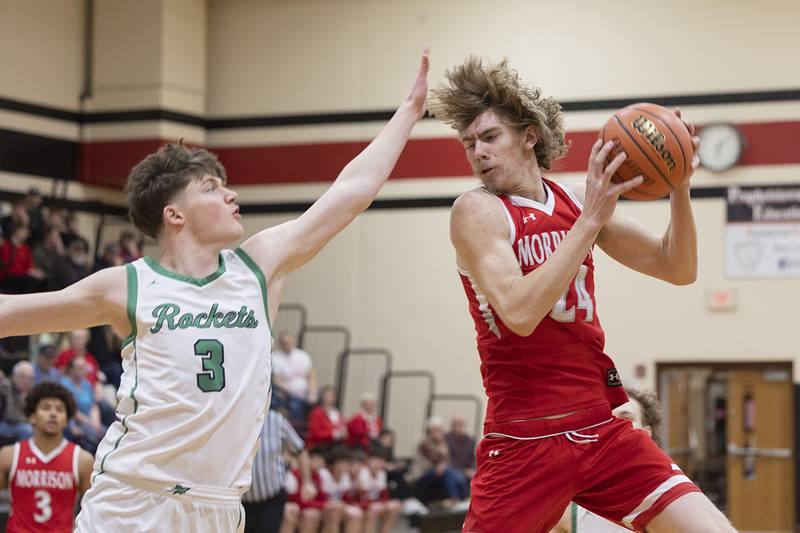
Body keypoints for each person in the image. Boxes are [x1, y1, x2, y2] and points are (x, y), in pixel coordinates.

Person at [0, 49, 429, 532]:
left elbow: (350, 191)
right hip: (134, 500)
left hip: (220, 508)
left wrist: (410, 112)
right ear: (174, 214)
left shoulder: (260, 265)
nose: (231, 195)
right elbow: (13, 311)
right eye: (211, 187)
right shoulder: (130, 283)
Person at [429, 56, 734, 532]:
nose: (478, 153)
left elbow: (678, 267)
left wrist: (680, 185)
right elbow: (518, 311)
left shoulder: (574, 201)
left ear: (529, 135)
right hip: (523, 436)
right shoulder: (477, 210)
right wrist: (591, 220)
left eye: (489, 137)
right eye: (470, 144)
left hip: (601, 425)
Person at [551, 389, 666, 533]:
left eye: (626, 419)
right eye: (606, 419)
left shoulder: (666, 499)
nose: (614, 427)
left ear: (646, 433)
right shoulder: (566, 507)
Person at [0, 381, 94, 532]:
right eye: (46, 408)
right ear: (32, 416)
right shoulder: (9, 455)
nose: (53, 413)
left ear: (66, 420)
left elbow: (92, 513)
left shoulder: (82, 460)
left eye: (59, 409)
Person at [242, 407, 315, 533]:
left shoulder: (276, 420)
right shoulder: (235, 418)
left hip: (271, 498)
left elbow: (300, 449)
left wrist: (307, 482)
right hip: (241, 501)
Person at [411, 416, 468, 506]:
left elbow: (447, 461)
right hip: (423, 474)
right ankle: (456, 499)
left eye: (440, 430)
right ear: (429, 432)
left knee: (455, 474)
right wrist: (443, 463)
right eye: (436, 430)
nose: (439, 433)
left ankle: (460, 500)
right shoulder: (425, 444)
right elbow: (435, 460)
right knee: (447, 471)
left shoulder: (443, 444)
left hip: (440, 472)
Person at [271, 330, 318, 425]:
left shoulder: (303, 355)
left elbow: (311, 376)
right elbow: (276, 380)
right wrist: (294, 392)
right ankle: (297, 430)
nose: (286, 345)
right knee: (295, 404)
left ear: (293, 341)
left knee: (318, 403)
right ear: (280, 343)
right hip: (288, 393)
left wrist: (312, 393)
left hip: (305, 392)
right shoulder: (276, 358)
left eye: (288, 343)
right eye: (284, 343)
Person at [0, 361, 36, 442]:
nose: (27, 381)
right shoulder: (6, 387)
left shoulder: (30, 391)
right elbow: (10, 416)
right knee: (27, 430)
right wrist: (29, 420)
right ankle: (21, 453)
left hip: (18, 423)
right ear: (14, 376)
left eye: (30, 378)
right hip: (4, 423)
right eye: (23, 377)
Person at [307, 385, 347, 450]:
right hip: (319, 446)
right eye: (327, 396)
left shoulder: (338, 414)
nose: (329, 399)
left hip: (336, 445)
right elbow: (315, 433)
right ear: (322, 397)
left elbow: (343, 428)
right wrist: (335, 434)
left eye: (332, 396)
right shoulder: (317, 413)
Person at [444, 414, 476, 479]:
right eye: (455, 424)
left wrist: (472, 470)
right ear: (451, 425)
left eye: (460, 424)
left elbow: (472, 459)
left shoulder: (470, 440)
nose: (457, 427)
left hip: (468, 470)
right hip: (452, 470)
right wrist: (464, 471)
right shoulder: (446, 438)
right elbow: (448, 459)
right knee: (459, 478)